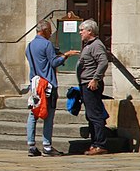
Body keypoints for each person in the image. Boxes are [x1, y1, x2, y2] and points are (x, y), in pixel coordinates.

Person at [25, 20, 78, 157]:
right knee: (49, 115)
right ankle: (47, 146)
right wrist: (66, 55)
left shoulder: (29, 46)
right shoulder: (47, 44)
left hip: (35, 84)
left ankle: (31, 145)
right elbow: (54, 62)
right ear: (44, 30)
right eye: (49, 31)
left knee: (33, 114)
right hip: (48, 84)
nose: (50, 34)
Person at [77, 19, 110, 155]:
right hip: (85, 84)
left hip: (91, 84)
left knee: (95, 115)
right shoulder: (88, 45)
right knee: (90, 115)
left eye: (82, 30)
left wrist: (95, 79)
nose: (80, 33)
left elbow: (103, 62)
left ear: (90, 31)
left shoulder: (96, 45)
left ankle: (100, 144)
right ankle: (94, 142)